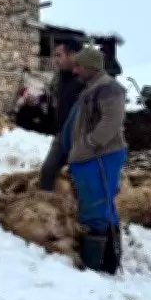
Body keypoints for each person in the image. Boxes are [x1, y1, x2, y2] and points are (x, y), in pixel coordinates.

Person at [59, 47, 127, 275]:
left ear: (90, 67)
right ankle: (108, 260)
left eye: (79, 66)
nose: (75, 70)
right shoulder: (92, 88)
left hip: (100, 156)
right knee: (98, 204)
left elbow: (111, 122)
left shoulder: (110, 88)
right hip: (88, 156)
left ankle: (97, 264)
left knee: (96, 206)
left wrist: (89, 143)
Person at [38, 38, 85, 190]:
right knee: (48, 171)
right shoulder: (61, 77)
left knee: (79, 180)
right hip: (63, 135)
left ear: (72, 55)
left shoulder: (88, 79)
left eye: (59, 55)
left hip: (83, 138)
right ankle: (47, 207)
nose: (55, 60)